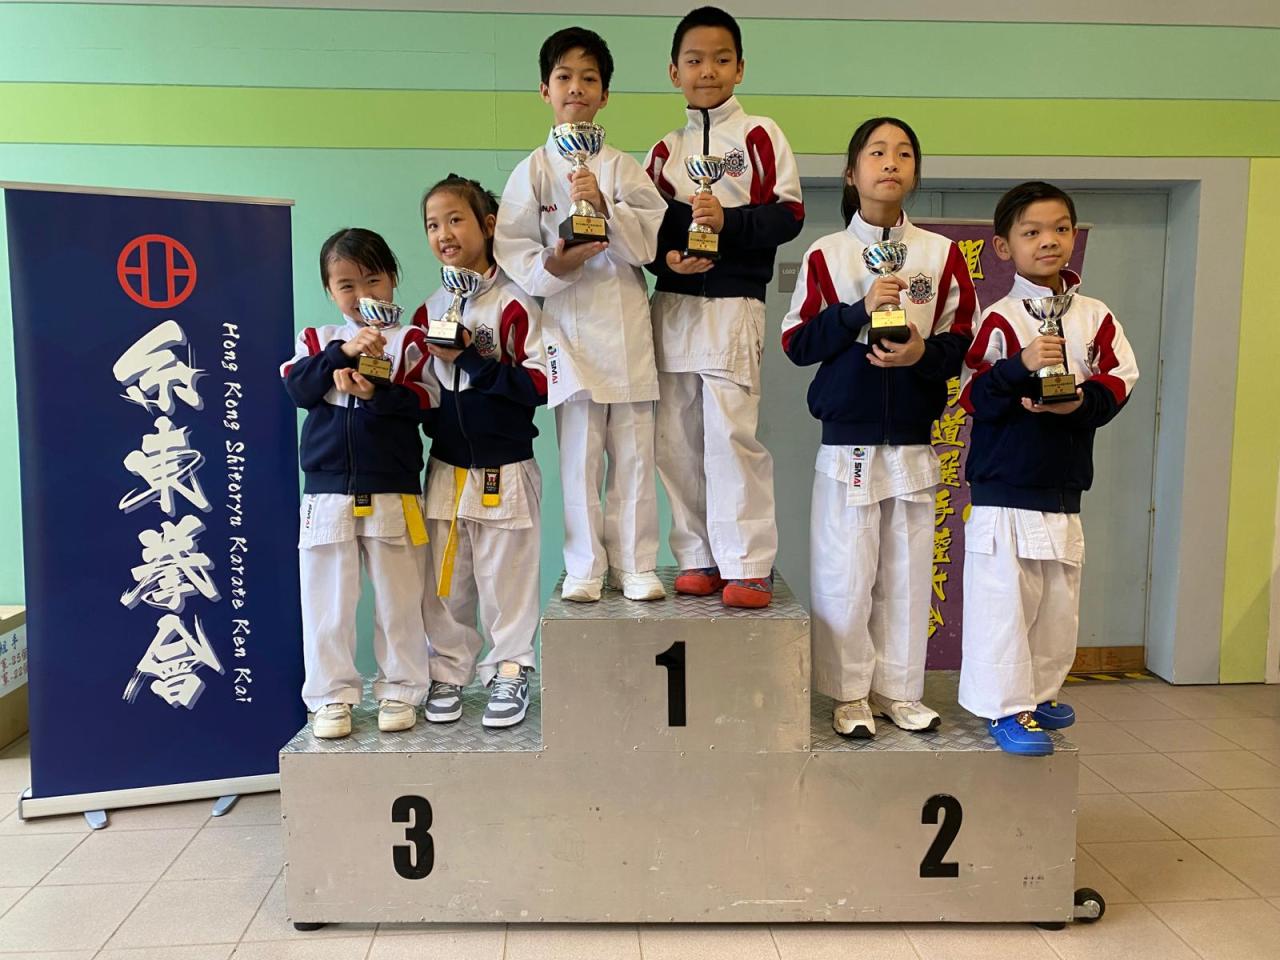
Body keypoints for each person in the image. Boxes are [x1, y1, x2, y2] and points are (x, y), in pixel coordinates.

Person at [781, 117, 977, 739]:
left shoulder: (939, 255)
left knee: (908, 574)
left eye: (904, 153)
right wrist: (855, 312)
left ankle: (900, 691)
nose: (891, 162)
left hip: (915, 439)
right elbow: (797, 342)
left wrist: (923, 354)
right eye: (876, 152)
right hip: (849, 444)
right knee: (846, 573)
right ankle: (849, 694)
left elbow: (964, 341)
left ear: (915, 172)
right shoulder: (827, 254)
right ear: (851, 172)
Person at [958, 181, 1139, 756]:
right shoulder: (1000, 318)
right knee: (1004, 605)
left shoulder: (1095, 316)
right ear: (1004, 246)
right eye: (1031, 231)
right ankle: (1003, 707)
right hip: (1004, 487)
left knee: (1056, 606)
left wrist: (1076, 404)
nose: (1048, 241)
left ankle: (1037, 695)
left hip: (1063, 485)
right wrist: (1020, 366)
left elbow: (1120, 380)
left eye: (1060, 229)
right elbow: (972, 396)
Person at [494, 26, 668, 604]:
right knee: (579, 459)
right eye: (564, 77)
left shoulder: (624, 167)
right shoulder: (532, 171)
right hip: (568, 333)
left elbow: (648, 244)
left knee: (636, 458)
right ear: (544, 89)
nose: (576, 87)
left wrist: (603, 206)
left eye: (589, 79)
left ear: (605, 94)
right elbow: (514, 251)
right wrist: (557, 263)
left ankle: (636, 564)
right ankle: (584, 567)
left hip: (625, 328)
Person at [643, 5, 804, 608]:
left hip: (735, 303)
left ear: (740, 68)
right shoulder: (663, 152)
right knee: (674, 439)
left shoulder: (760, 134)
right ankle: (697, 555)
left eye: (720, 59)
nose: (706, 70)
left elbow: (788, 214)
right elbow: (647, 230)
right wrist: (667, 262)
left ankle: (747, 563)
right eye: (694, 60)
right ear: (674, 72)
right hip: (673, 304)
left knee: (731, 434)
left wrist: (728, 223)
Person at [281, 228, 437, 739]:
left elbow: (425, 402)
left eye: (373, 279)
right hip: (327, 492)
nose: (362, 293)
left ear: (392, 279)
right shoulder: (316, 340)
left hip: (394, 487)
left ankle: (402, 689)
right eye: (346, 284)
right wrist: (342, 353)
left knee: (399, 598)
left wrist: (376, 393)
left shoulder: (412, 340)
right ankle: (331, 697)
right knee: (327, 602)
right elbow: (298, 389)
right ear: (330, 291)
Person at [413, 175, 547, 730]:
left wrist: (472, 359)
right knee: (445, 581)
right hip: (446, 467)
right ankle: (448, 671)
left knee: (506, 579)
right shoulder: (427, 311)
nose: (444, 233)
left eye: (455, 220)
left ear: (488, 225)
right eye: (432, 225)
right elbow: (419, 389)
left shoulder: (515, 302)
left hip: (505, 466)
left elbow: (540, 383)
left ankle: (510, 670)